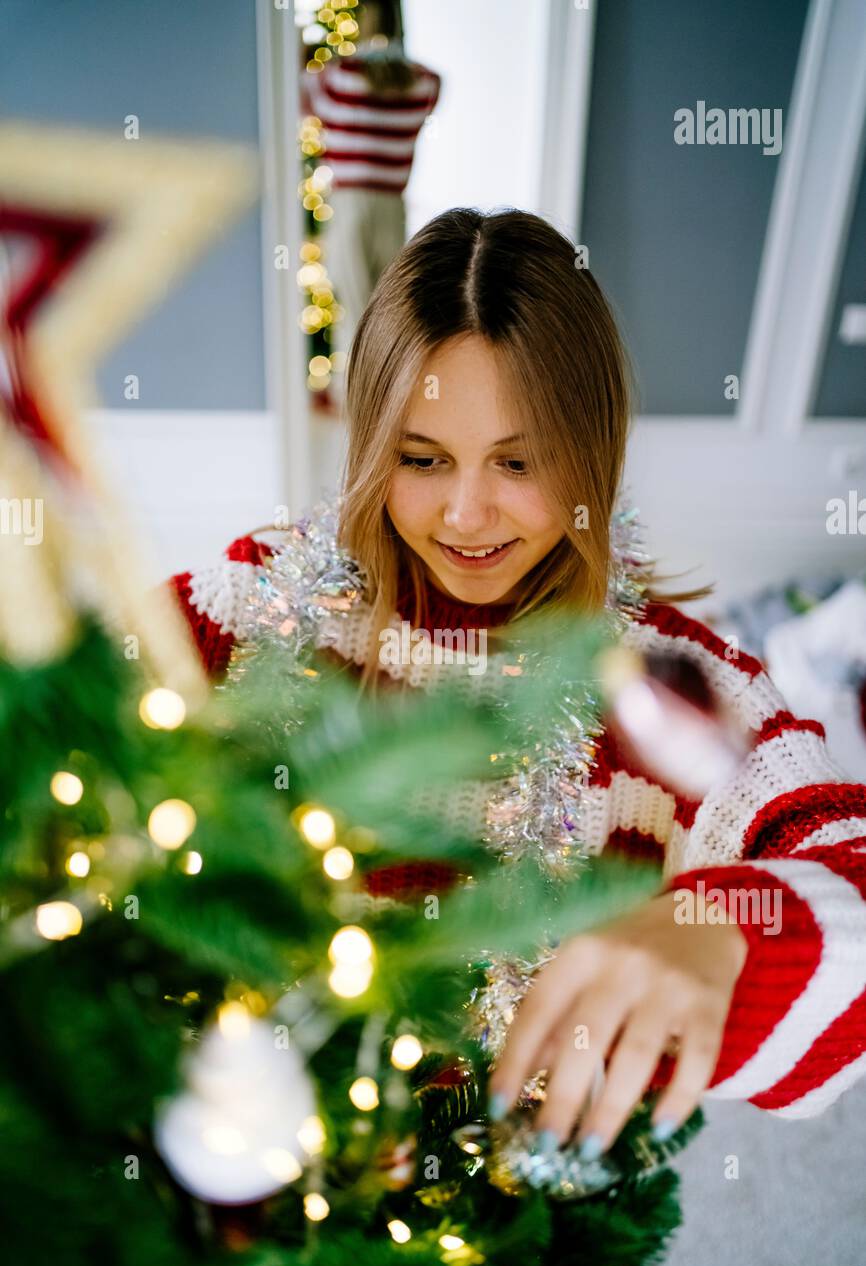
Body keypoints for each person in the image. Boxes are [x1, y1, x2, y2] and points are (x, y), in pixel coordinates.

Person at [170, 207, 866, 1163]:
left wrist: (725, 934)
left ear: (592, 451)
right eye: (421, 460)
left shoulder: (679, 685)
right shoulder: (253, 608)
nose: (465, 513)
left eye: (520, 461)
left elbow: (847, 862)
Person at [302, 1, 441, 411]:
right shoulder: (424, 82)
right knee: (388, 305)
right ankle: (383, 396)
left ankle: (354, 398)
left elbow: (301, 104)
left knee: (352, 301)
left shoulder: (337, 77)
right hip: (392, 203)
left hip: (348, 202)